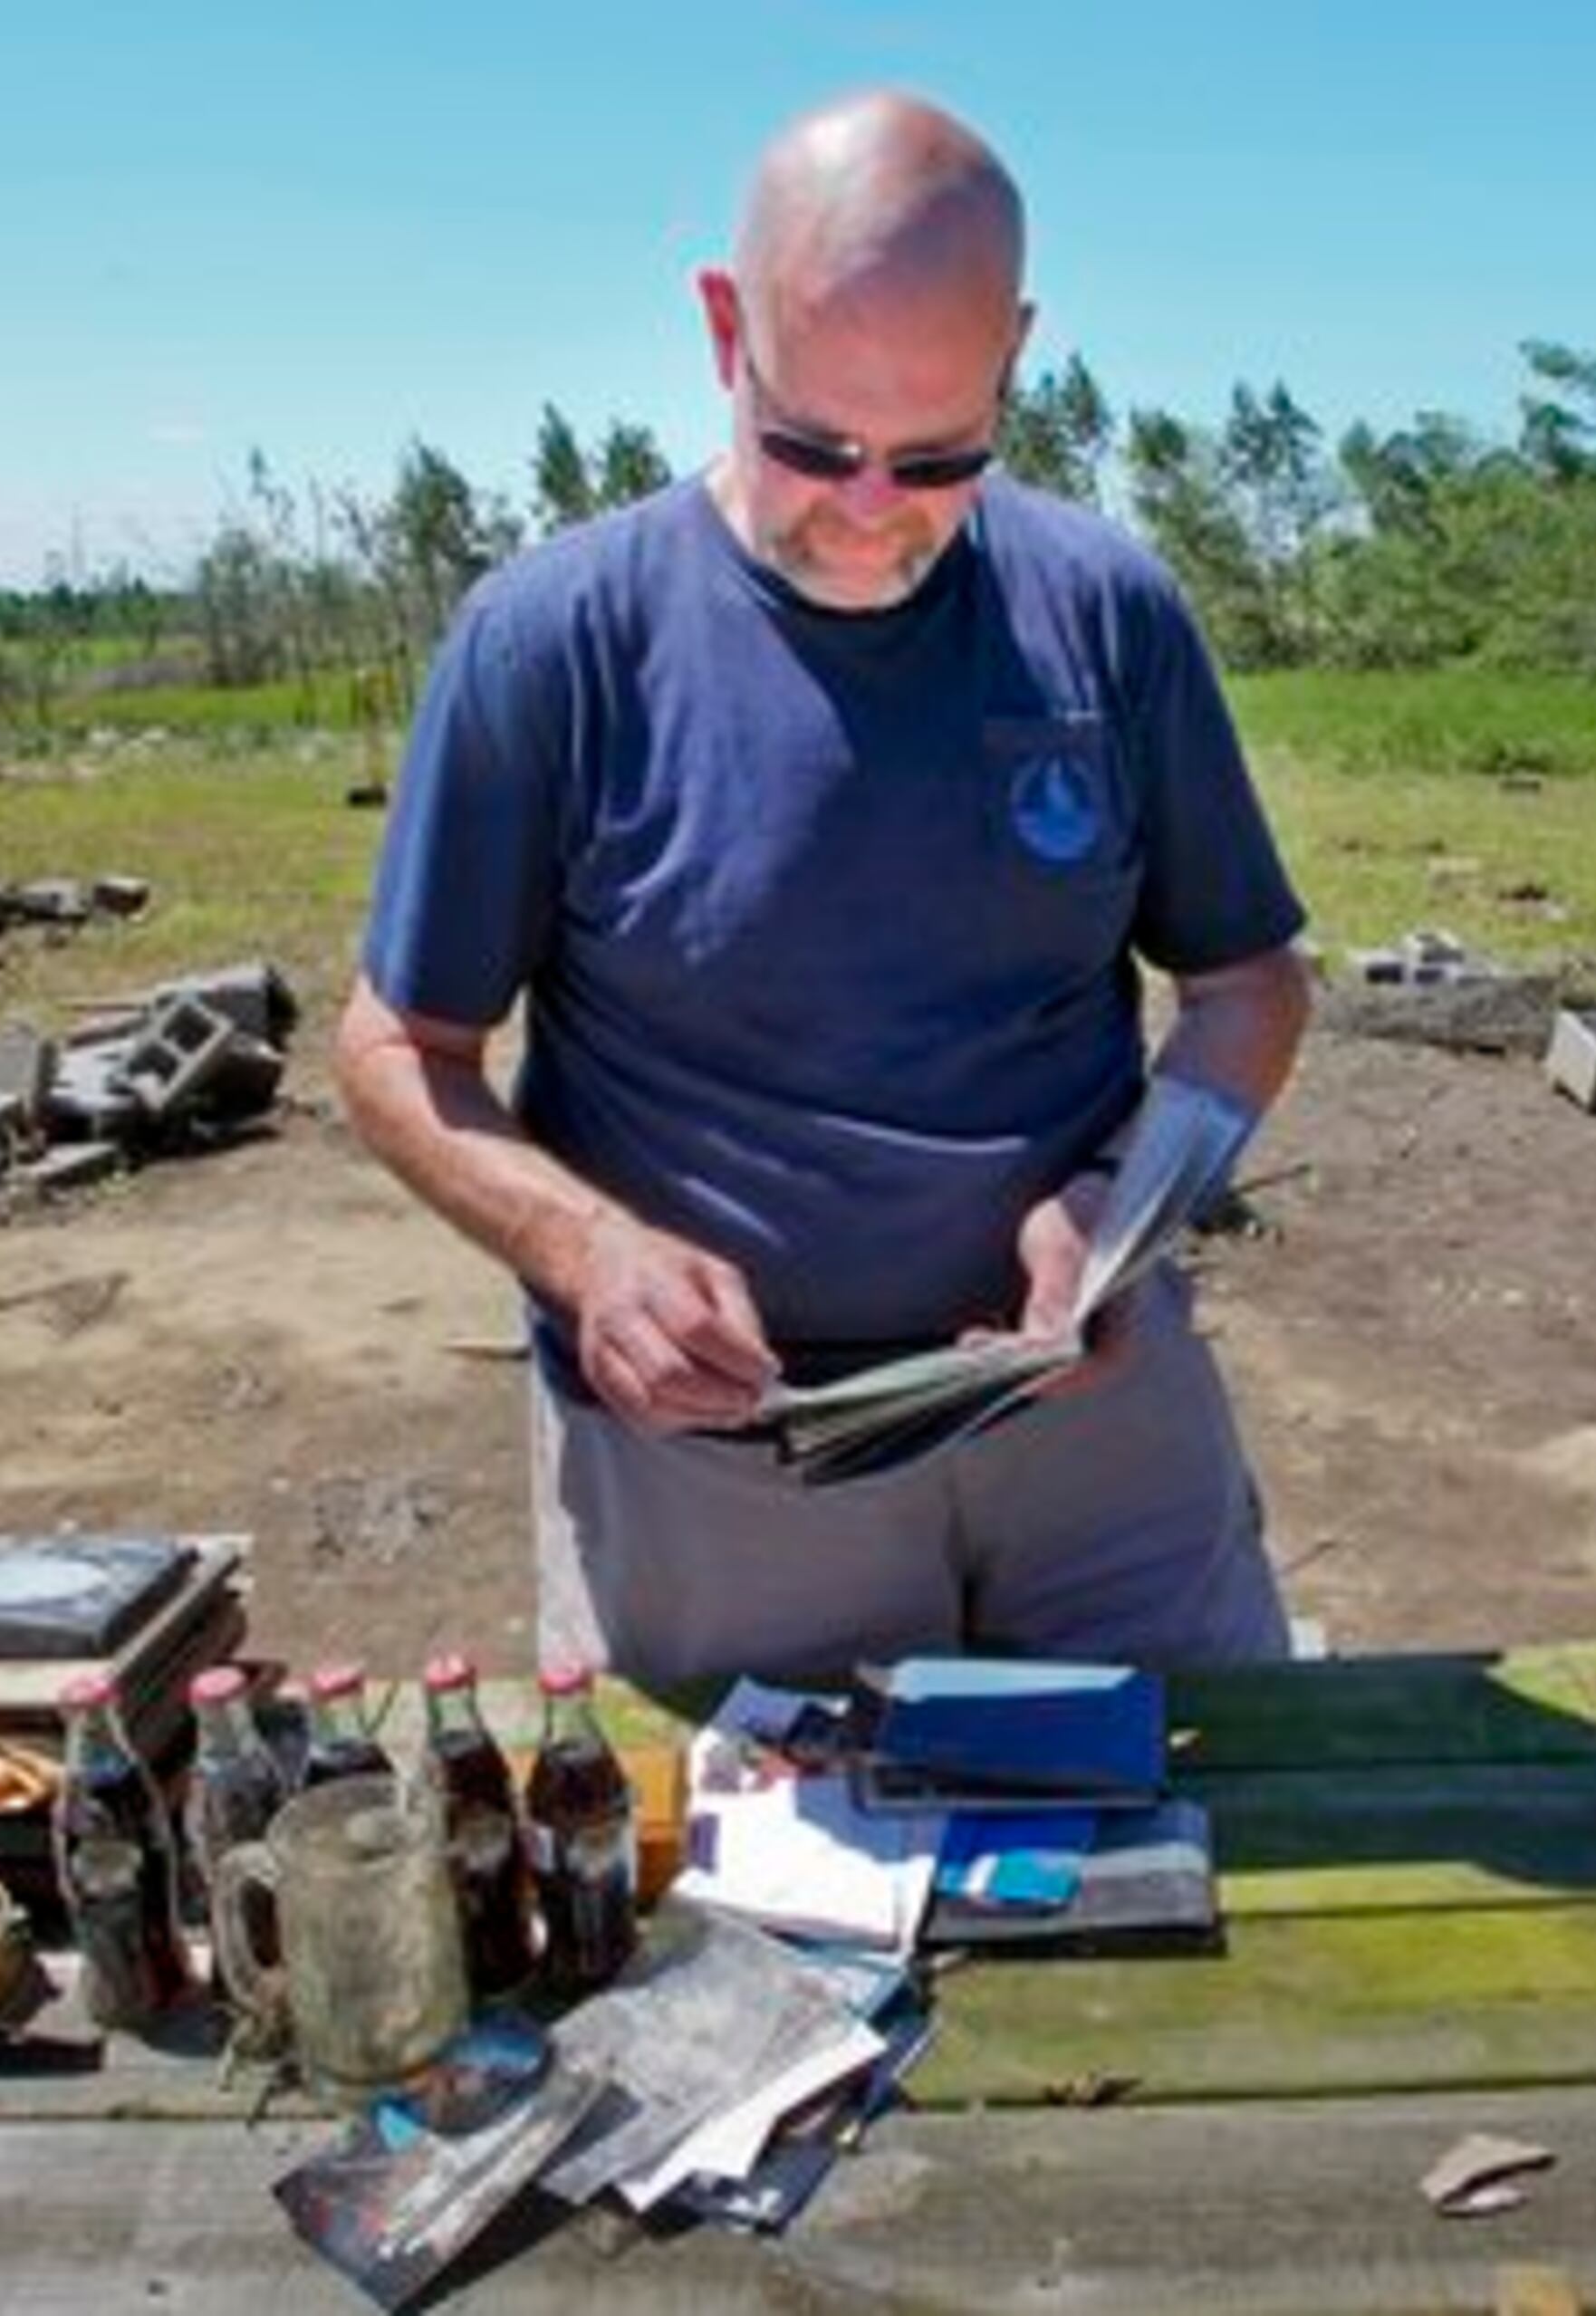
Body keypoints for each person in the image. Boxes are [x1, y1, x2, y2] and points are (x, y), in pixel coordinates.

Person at [332, 89, 1312, 1689]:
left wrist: (1118, 1202)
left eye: (938, 456)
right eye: (811, 444)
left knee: (1220, 1846)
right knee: (777, 1908)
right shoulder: (554, 646)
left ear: (1017, 356)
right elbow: (396, 1050)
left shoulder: (1111, 616)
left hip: (1095, 1432)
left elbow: (1249, 988)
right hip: (730, 1462)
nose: (867, 513)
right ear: (725, 329)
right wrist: (592, 1257)